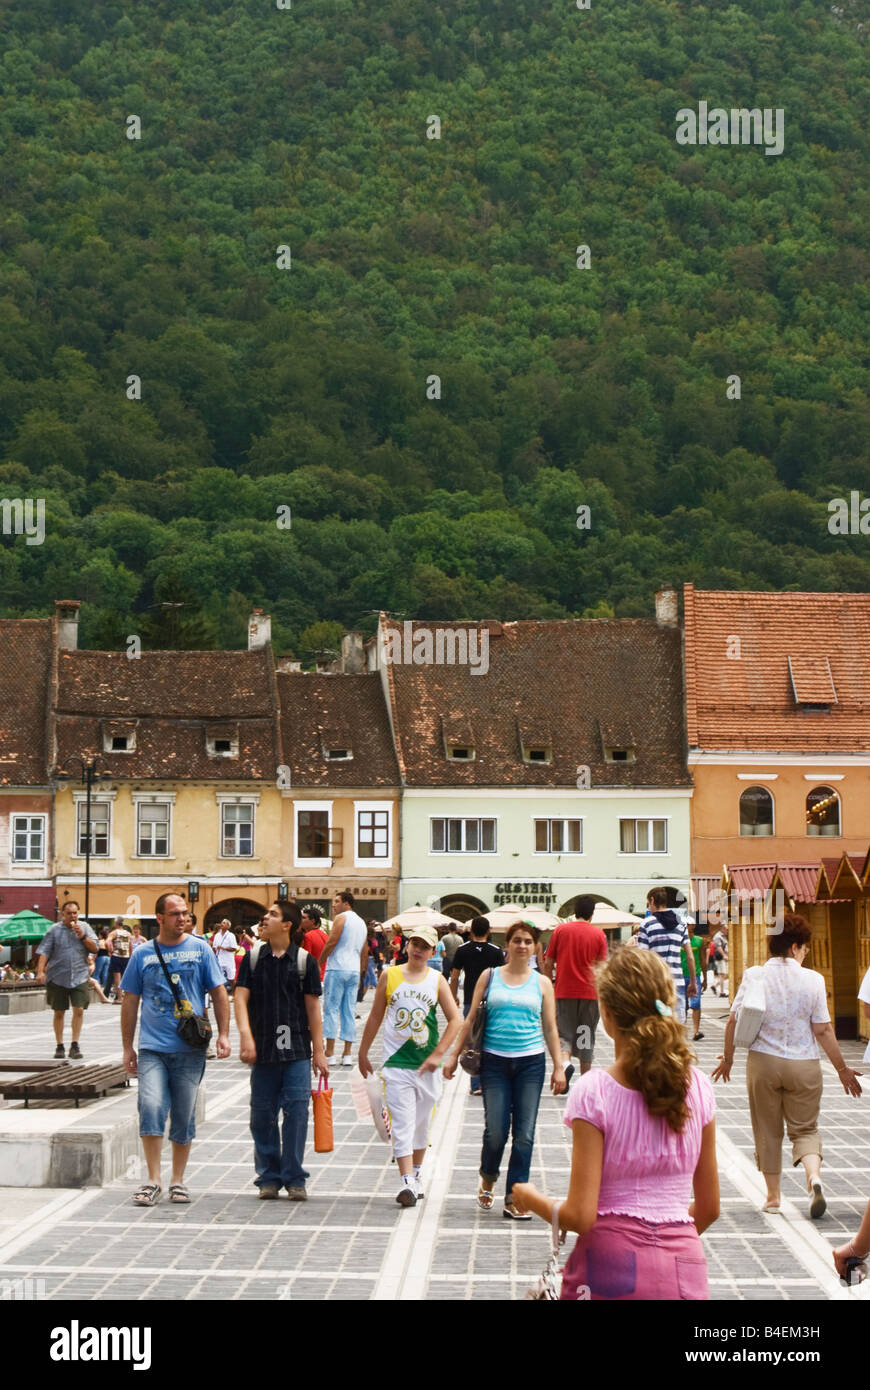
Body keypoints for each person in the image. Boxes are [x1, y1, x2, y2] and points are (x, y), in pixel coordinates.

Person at [512, 946, 720, 1299]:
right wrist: (664, 1244)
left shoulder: (595, 1092)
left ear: (606, 1014)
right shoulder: (698, 1086)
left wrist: (529, 1197)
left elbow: (581, 1214)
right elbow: (710, 1207)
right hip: (684, 1264)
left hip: (609, 1264)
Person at [712, 913, 862, 1218]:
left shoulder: (755, 975)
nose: (805, 952)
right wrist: (842, 1070)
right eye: (804, 947)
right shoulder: (814, 980)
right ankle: (813, 1178)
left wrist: (728, 1059)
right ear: (795, 946)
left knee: (767, 1130)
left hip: (764, 1063)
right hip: (804, 1064)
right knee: (805, 1129)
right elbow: (823, 1029)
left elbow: (733, 1021)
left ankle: (773, 1197)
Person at [443, 922, 566, 1219]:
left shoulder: (542, 984)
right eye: (516, 941)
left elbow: (550, 1028)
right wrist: (452, 1056)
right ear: (507, 945)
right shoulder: (490, 976)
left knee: (524, 1134)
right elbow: (471, 1018)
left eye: (527, 942)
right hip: (495, 1062)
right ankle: (488, 1175)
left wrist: (559, 1066)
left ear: (535, 947)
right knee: (496, 1132)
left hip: (531, 1063)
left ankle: (515, 1196)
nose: (522, 946)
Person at [121, 893, 230, 1207]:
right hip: (153, 1047)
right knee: (151, 1106)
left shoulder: (200, 949)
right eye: (174, 914)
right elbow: (130, 1003)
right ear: (159, 918)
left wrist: (224, 1034)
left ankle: (178, 1180)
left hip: (190, 1048)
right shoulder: (142, 954)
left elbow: (219, 993)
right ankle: (153, 1179)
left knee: (183, 1114)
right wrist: (127, 1047)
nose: (182, 919)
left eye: (184, 913)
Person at [358, 926, 461, 1207]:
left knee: (421, 1124)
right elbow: (376, 1015)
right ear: (407, 946)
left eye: (425, 946)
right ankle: (405, 1182)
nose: (418, 949)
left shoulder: (437, 980)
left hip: (426, 1066)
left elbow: (455, 1020)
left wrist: (438, 1055)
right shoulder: (388, 976)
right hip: (395, 1063)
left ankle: (415, 1176)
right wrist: (363, 1051)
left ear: (432, 952)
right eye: (414, 943)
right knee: (402, 1123)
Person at [234, 901, 329, 1201]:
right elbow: (239, 999)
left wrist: (320, 1051)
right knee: (261, 1115)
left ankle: (294, 1176)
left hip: (297, 1051)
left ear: (287, 924)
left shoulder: (303, 961)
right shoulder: (252, 959)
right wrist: (246, 1037)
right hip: (262, 1050)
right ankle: (269, 1177)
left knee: (297, 1113)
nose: (265, 918)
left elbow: (313, 1009)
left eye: (272, 915)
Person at [544, 912, 608, 1085]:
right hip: (590, 994)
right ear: (592, 914)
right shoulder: (598, 934)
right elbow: (603, 967)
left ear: (575, 912)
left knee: (564, 1033)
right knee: (585, 1035)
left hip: (564, 992)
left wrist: (548, 985)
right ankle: (585, 1081)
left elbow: (548, 962)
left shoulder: (561, 930)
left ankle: (565, 1064)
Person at [34, 901, 98, 1060]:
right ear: (63, 914)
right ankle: (60, 1045)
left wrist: (82, 935)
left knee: (79, 1009)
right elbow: (44, 952)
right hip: (57, 977)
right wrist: (40, 971)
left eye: (75, 913)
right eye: (69, 913)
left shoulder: (85, 928)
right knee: (59, 1012)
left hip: (80, 975)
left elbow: (95, 948)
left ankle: (75, 1044)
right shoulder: (54, 930)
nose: (72, 916)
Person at [449, 916, 504, 1095]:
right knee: (491, 1040)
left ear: (471, 931)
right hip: (492, 1001)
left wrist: (453, 995)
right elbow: (502, 977)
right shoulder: (496, 951)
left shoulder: (463, 950)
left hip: (469, 1001)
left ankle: (475, 1084)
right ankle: (488, 1082)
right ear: (488, 932)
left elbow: (455, 975)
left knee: (472, 1042)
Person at [319, 891, 369, 1066]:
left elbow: (332, 942)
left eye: (336, 901)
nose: (333, 905)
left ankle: (330, 1053)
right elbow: (365, 950)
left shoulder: (341, 918)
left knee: (331, 1009)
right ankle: (347, 1054)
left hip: (337, 968)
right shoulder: (362, 922)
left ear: (347, 903)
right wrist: (362, 971)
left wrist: (319, 961)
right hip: (353, 970)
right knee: (349, 1010)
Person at [637, 889, 697, 1023]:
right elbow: (690, 956)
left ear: (652, 900)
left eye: (648, 903)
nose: (649, 907)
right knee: (677, 1026)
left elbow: (643, 959)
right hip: (677, 983)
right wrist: (693, 983)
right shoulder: (681, 924)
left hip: (655, 984)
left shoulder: (647, 924)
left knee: (656, 1026)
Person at [682, 926, 706, 1041]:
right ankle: (683, 1031)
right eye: (687, 930)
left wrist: (705, 977)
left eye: (691, 930)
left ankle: (696, 1031)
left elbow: (702, 959)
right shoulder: (678, 940)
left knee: (696, 1004)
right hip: (680, 976)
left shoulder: (699, 941)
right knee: (683, 1006)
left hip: (695, 976)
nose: (690, 933)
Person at [107, 917, 133, 1002]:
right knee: (125, 977)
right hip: (126, 957)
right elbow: (130, 946)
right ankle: (126, 997)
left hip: (116, 956)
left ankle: (119, 998)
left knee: (117, 978)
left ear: (116, 923)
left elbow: (107, 942)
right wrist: (130, 956)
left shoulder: (114, 933)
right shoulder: (128, 934)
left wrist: (110, 950)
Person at [301, 907, 329, 980]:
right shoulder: (325, 935)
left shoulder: (308, 936)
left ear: (312, 921)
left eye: (303, 918)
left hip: (315, 978)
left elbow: (306, 960)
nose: (301, 920)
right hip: (326, 976)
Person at [212, 919, 239, 993]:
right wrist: (215, 948)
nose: (222, 924)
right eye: (222, 922)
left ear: (228, 926)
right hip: (219, 959)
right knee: (218, 978)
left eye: (224, 923)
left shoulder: (231, 935)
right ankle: (221, 994)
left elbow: (234, 948)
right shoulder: (217, 935)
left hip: (228, 960)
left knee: (231, 979)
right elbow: (214, 946)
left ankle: (235, 994)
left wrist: (224, 948)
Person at [710, 925, 728, 997]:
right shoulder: (718, 936)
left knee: (725, 975)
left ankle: (714, 985)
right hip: (720, 958)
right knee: (722, 974)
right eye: (727, 929)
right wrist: (724, 955)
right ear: (723, 929)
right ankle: (722, 992)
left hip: (724, 957)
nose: (727, 931)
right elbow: (718, 947)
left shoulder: (723, 936)